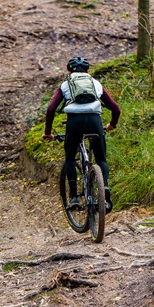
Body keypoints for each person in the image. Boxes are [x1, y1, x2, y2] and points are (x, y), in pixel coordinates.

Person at [43, 56, 120, 210]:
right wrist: (112, 124)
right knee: (101, 159)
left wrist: (48, 133)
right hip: (94, 122)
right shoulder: (95, 84)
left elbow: (51, 109)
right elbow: (116, 109)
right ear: (87, 70)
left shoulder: (66, 84)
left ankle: (74, 198)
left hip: (74, 123)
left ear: (69, 70)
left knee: (70, 158)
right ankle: (104, 188)